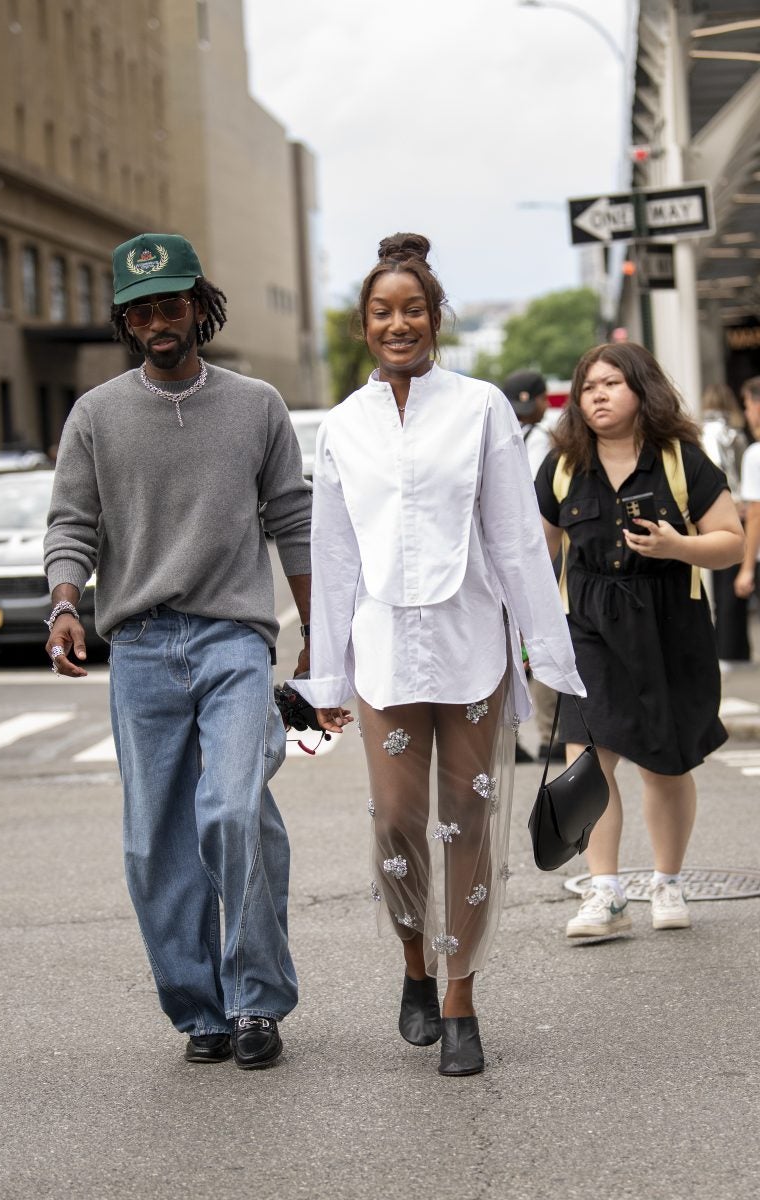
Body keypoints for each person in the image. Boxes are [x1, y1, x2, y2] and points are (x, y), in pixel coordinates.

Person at [290, 233, 584, 1077]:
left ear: (435, 317)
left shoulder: (482, 406)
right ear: (363, 325)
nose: (399, 324)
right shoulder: (344, 425)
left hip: (470, 644)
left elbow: (517, 541)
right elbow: (334, 552)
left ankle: (461, 999)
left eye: (413, 309)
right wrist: (326, 677)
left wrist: (550, 660)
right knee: (395, 820)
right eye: (383, 312)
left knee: (468, 822)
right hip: (383, 648)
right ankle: (414, 963)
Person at [43, 233, 315, 1069]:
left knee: (232, 810)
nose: (159, 321)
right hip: (140, 648)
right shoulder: (96, 415)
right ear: (127, 321)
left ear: (201, 305)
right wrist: (63, 604)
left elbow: (293, 520)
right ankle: (200, 1010)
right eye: (142, 309)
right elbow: (72, 526)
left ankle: (257, 1001)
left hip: (235, 637)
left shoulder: (257, 404)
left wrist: (321, 640)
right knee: (152, 842)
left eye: (173, 304)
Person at [535, 342, 744, 940]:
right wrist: (518, 623)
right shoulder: (563, 465)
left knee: (666, 764)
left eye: (612, 384)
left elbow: (730, 542)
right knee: (586, 762)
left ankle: (669, 880)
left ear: (642, 390)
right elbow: (536, 551)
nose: (598, 395)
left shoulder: (682, 461)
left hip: (670, 626)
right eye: (588, 386)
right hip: (590, 628)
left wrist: (678, 546)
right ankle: (604, 891)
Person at [501, 369, 564, 764]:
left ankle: (507, 739)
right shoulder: (549, 442)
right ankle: (548, 735)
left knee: (506, 642)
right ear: (543, 401)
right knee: (543, 636)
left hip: (499, 552)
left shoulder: (494, 438)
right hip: (541, 548)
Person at [700, 382, 750, 666]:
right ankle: (736, 647)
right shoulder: (734, 433)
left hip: (714, 509)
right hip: (740, 509)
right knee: (737, 579)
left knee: (721, 583)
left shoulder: (699, 433)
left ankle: (725, 647)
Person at [735, 376, 760, 605]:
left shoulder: (755, 455)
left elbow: (756, 513)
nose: (746, 413)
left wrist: (747, 568)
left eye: (746, 405)